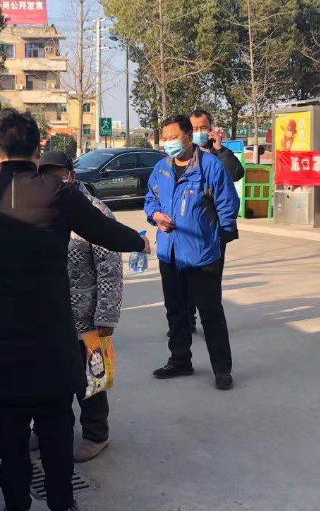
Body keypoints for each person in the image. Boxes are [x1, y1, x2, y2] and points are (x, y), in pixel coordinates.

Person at [0, 108, 148, 511]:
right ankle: (60, 507)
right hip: (50, 330)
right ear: (38, 148)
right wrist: (140, 240)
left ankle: (16, 510)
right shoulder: (60, 193)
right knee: (56, 424)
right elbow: (106, 232)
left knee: (9, 426)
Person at [144, 114, 240, 391]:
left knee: (210, 313)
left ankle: (222, 369)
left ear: (187, 137)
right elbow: (150, 199)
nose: (168, 143)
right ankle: (180, 360)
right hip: (170, 253)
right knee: (175, 311)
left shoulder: (210, 166)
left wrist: (218, 239)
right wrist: (155, 216)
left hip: (202, 254)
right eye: (165, 138)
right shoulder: (161, 168)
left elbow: (228, 205)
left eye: (173, 137)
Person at [38, 150, 121, 462]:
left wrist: (106, 314)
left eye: (58, 174)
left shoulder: (93, 210)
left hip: (86, 316)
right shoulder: (39, 210)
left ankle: (96, 434)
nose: (53, 181)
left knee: (90, 377)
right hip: (48, 314)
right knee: (48, 378)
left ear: (71, 175)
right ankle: (44, 429)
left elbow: (110, 268)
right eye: (46, 175)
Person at [185, 108, 244, 332]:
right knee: (186, 277)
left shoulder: (218, 152)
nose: (199, 132)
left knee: (211, 280)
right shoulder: (183, 154)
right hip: (188, 227)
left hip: (213, 229)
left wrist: (219, 148)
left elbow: (236, 173)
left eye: (204, 127)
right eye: (195, 128)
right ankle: (188, 319)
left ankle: (211, 323)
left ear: (211, 129)